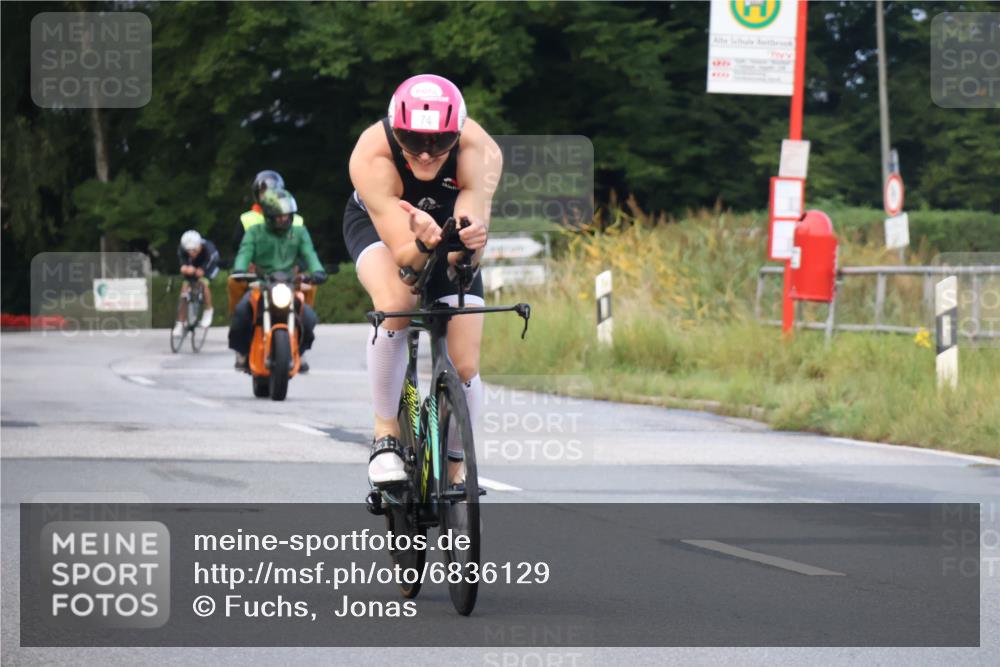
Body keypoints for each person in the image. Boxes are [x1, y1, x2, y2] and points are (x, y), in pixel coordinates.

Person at [344, 73, 501, 487]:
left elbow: (464, 253)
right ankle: (385, 436)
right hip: (381, 227)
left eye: (439, 143)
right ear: (397, 133)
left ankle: (453, 464)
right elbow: (406, 257)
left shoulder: (480, 151)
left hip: (444, 225)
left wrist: (468, 243)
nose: (427, 156)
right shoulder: (371, 154)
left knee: (465, 362)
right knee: (397, 300)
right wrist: (422, 239)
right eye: (414, 142)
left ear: (457, 134)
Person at [227, 170, 318, 373]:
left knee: (309, 301)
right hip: (259, 276)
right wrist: (245, 267)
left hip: (289, 277)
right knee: (239, 302)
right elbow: (239, 249)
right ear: (256, 195)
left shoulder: (297, 221)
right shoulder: (248, 220)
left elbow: (306, 251)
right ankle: (239, 338)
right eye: (264, 192)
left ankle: (300, 342)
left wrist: (303, 269)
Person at [173, 230, 219, 337]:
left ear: (199, 245)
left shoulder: (208, 249)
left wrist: (201, 270)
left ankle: (208, 309)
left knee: (202, 283)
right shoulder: (182, 248)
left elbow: (210, 262)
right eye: (188, 250)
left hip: (209, 266)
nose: (191, 253)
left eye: (194, 250)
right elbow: (183, 261)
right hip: (193, 266)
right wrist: (184, 267)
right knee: (184, 291)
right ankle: (180, 323)